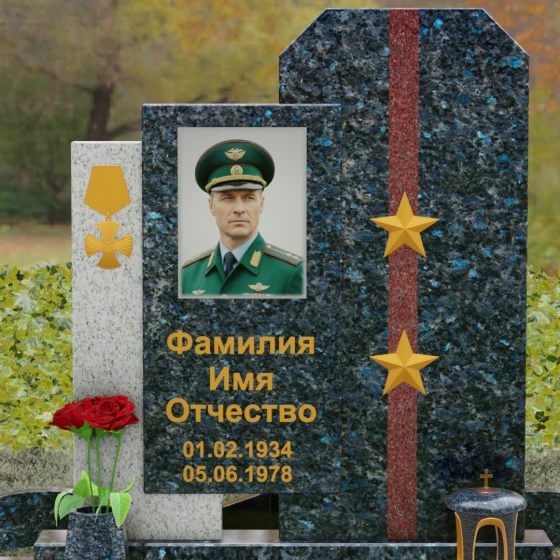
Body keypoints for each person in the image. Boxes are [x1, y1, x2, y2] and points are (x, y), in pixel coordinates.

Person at [181, 139, 304, 297]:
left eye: (249, 198)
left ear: (261, 204)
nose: (239, 209)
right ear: (211, 206)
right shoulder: (187, 275)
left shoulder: (290, 273)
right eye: (227, 198)